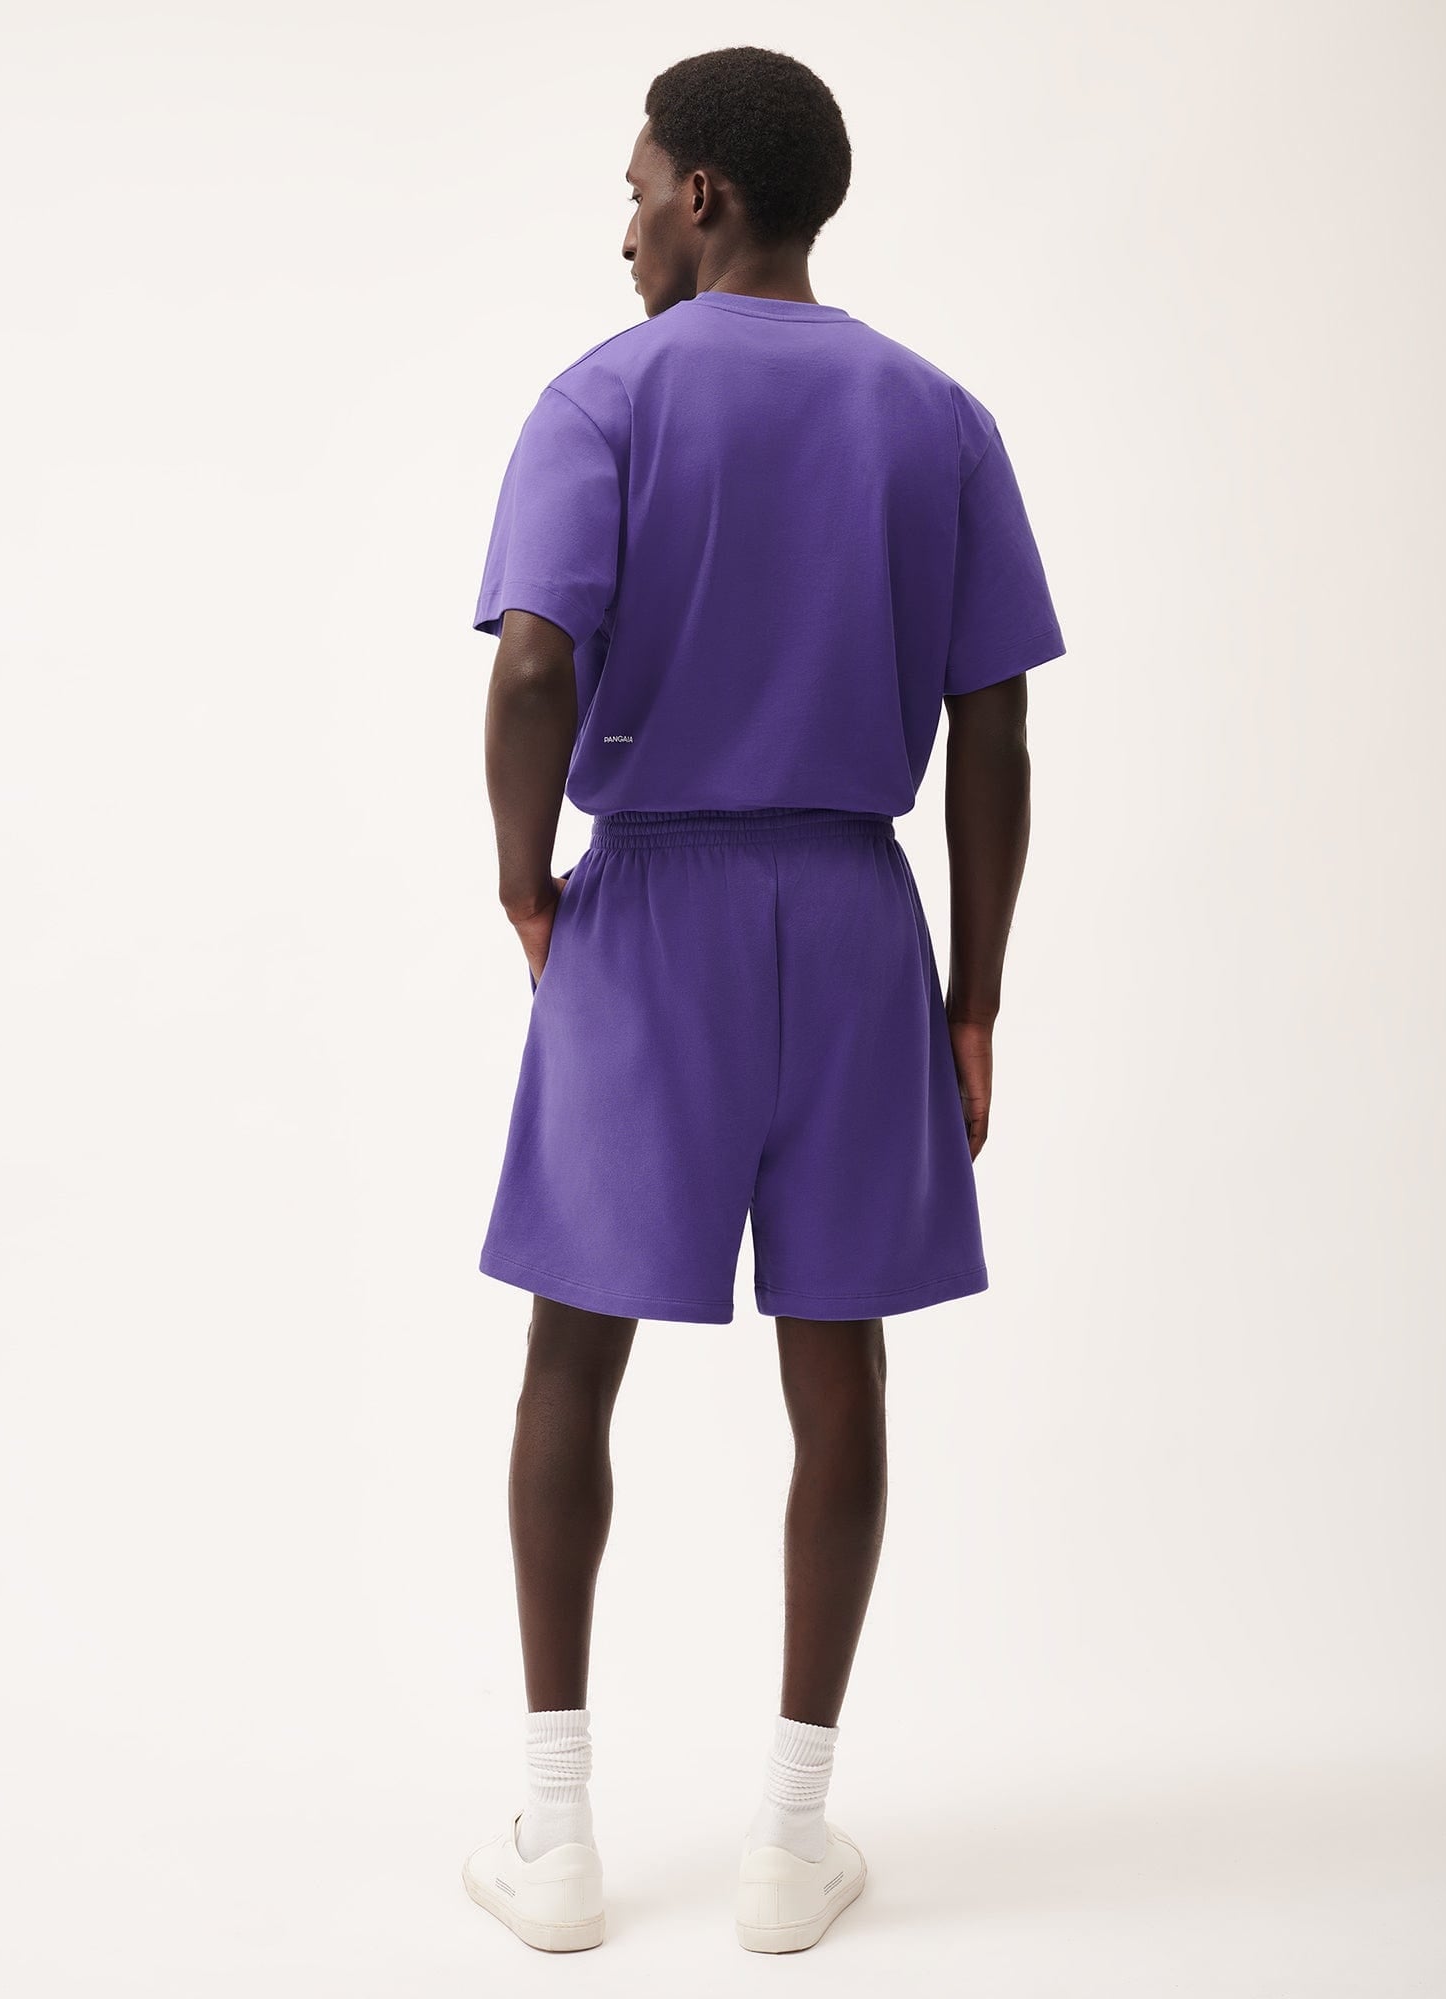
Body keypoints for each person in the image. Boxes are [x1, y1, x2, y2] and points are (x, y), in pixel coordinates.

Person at [458, 44, 1066, 1957]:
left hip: (648, 913)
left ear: (704, 195)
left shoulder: (602, 397)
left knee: (574, 1354)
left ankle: (558, 1839)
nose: (627, 225)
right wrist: (974, 997)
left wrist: (523, 879)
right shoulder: (937, 415)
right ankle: (792, 1846)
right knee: (841, 1361)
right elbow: (994, 728)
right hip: (856, 914)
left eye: (639, 187)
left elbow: (534, 664)